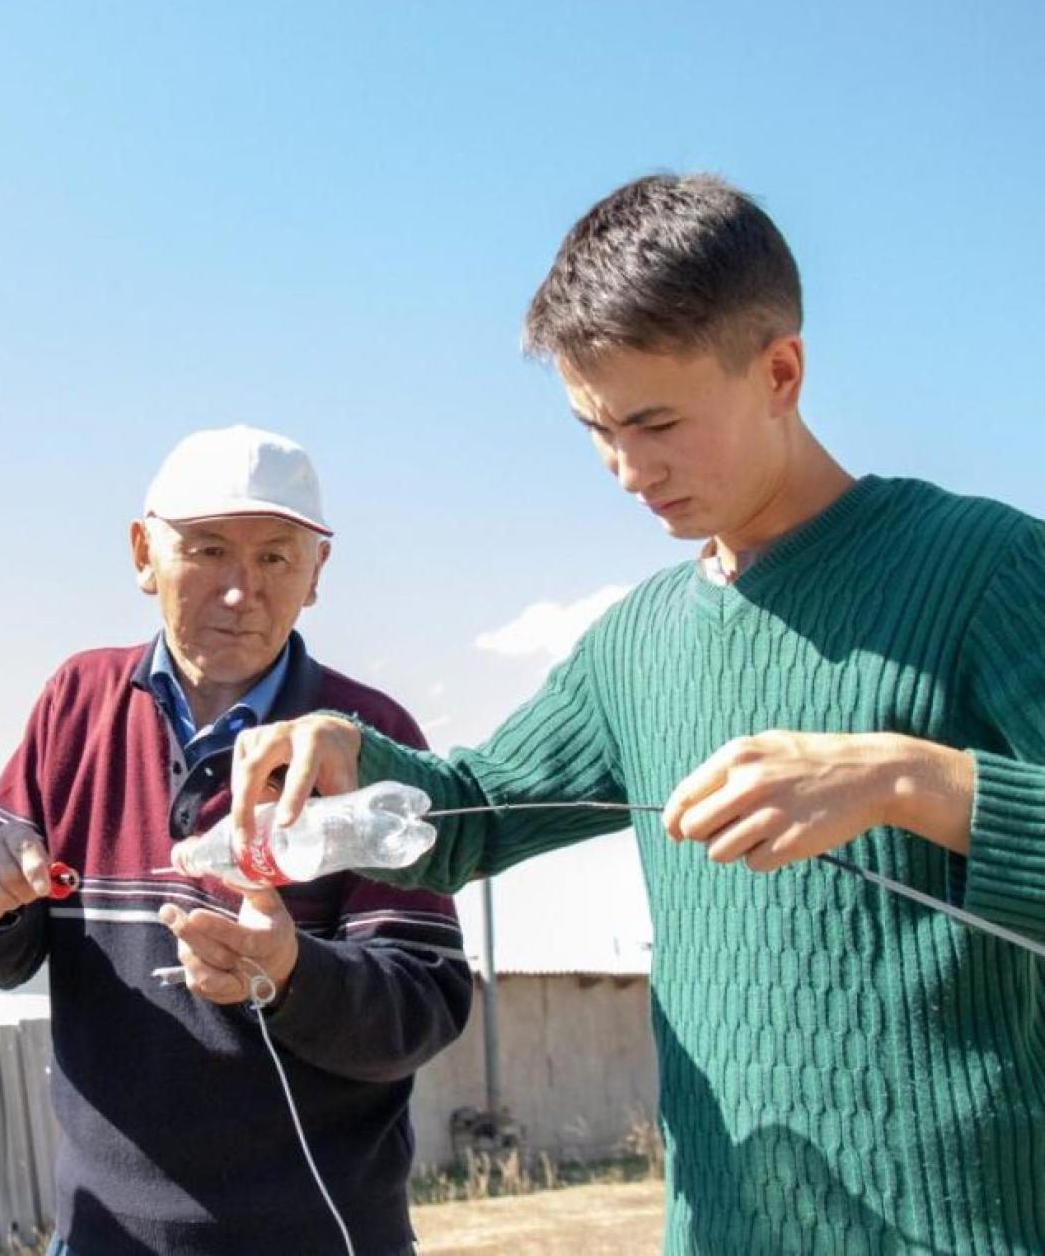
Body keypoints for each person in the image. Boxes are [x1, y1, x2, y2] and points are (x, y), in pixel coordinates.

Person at [216, 176, 1045, 1254]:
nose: (622, 469)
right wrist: (345, 748)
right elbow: (471, 811)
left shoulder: (985, 567)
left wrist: (908, 778)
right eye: (593, 428)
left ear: (779, 371)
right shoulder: (634, 642)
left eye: (654, 422)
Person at [0, 426, 472, 1255]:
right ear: (143, 552)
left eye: (276, 559)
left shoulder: (363, 740)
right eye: (209, 550)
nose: (239, 591)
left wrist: (292, 972)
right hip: (100, 1236)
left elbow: (425, 1002)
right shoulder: (77, 702)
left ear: (318, 572)